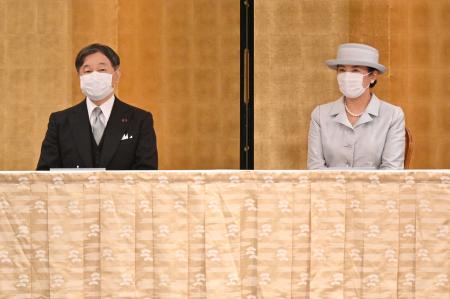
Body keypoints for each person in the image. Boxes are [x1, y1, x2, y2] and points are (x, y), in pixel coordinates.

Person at [37, 43, 158, 170]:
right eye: (87, 71)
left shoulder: (140, 120)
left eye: (102, 70)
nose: (94, 76)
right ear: (79, 77)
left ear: (116, 75)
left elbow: (147, 173)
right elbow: (45, 173)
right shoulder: (60, 121)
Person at [307, 43, 405, 169]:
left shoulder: (392, 115)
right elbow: (315, 169)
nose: (347, 76)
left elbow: (392, 171)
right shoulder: (320, 114)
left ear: (373, 76)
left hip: (375, 189)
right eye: (342, 70)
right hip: (330, 189)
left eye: (355, 70)